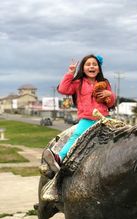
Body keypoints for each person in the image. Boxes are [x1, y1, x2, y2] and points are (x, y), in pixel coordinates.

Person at [42, 54, 116, 200]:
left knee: (117, 138)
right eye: (88, 64)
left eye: (94, 64)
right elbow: (63, 89)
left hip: (104, 118)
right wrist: (70, 73)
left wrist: (110, 94)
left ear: (99, 68)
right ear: (83, 68)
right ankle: (59, 158)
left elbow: (110, 103)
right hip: (87, 118)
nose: (91, 67)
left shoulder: (104, 82)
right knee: (77, 136)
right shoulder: (78, 82)